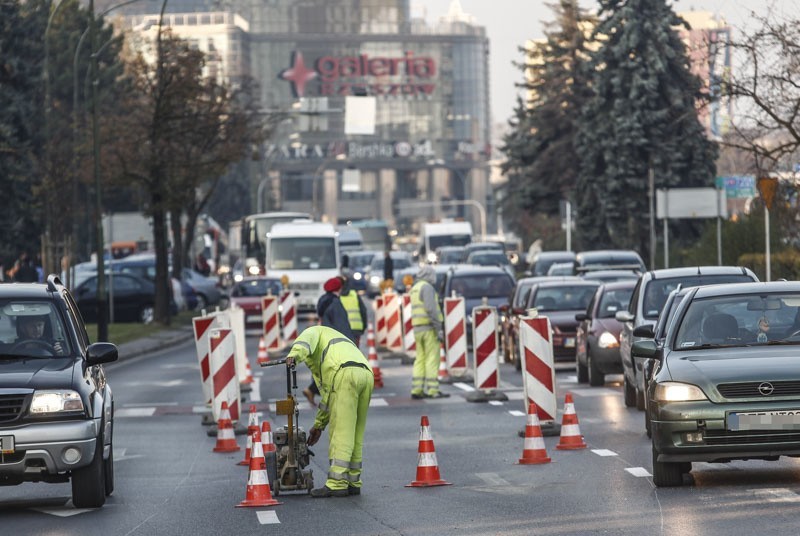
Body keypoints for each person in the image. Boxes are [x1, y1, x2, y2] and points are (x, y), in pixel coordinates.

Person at [285, 325, 374, 498]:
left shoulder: (313, 331)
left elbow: (303, 343)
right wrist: (318, 426)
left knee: (340, 432)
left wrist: (293, 356)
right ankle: (353, 482)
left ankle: (336, 483)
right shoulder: (335, 345)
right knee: (356, 432)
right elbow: (328, 399)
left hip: (345, 374)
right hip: (366, 374)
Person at [303, 276, 356, 407]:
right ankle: (316, 391)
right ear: (339, 288)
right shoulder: (335, 303)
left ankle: (315, 391)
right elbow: (341, 324)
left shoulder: (323, 300)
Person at [409, 264, 449, 399]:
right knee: (432, 358)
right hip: (429, 328)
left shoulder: (415, 288)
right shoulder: (427, 288)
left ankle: (417, 389)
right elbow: (431, 309)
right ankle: (433, 390)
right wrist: (439, 329)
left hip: (417, 329)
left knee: (420, 359)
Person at [338, 273, 368, 346]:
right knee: (355, 351)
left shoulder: (336, 297)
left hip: (341, 330)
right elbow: (363, 311)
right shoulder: (354, 294)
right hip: (356, 329)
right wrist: (364, 326)